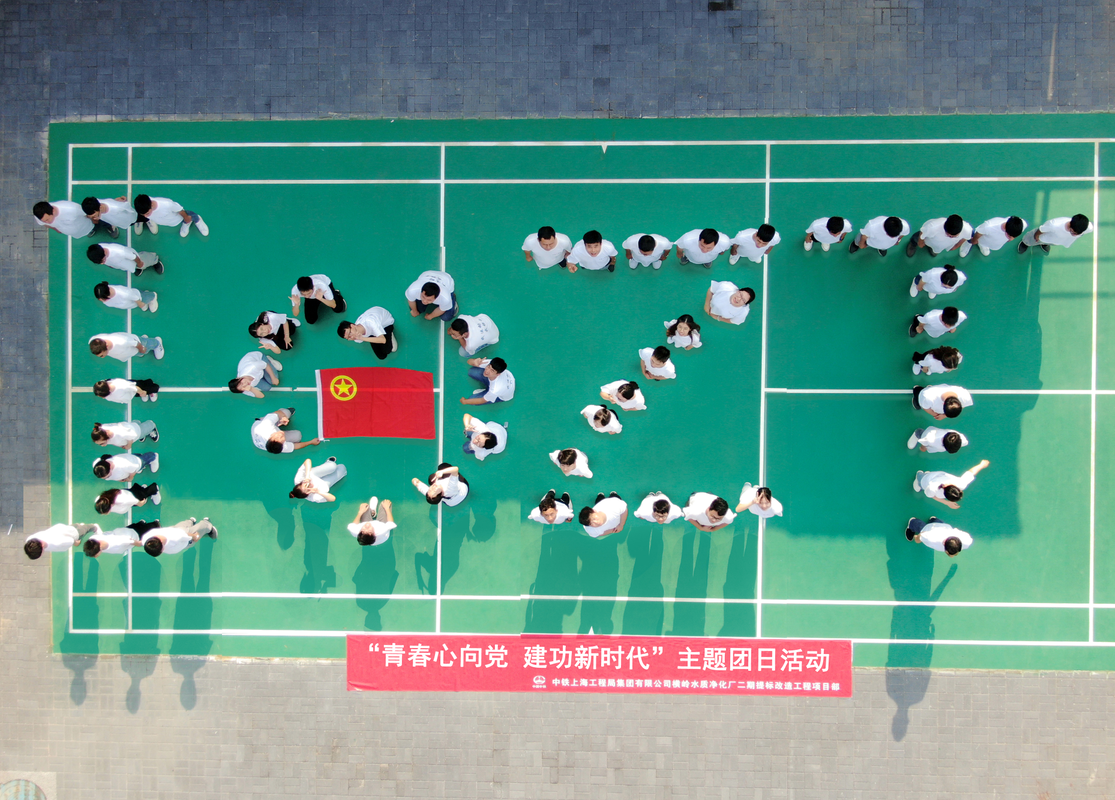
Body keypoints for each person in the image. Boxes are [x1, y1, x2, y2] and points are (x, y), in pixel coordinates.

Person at [914, 459, 990, 508]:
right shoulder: (933, 489)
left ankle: (925, 475)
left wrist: (981, 465)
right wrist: (947, 503)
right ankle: (918, 480)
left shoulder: (961, 484)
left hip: (934, 476)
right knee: (920, 477)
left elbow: (971, 472)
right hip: (924, 481)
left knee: (927, 475)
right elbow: (932, 496)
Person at [132, 194, 209, 237]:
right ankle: (187, 222)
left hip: (177, 218)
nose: (146, 216)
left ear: (151, 205)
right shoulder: (143, 205)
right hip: (169, 222)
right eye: (143, 214)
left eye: (147, 213)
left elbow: (180, 210)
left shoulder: (167, 204)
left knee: (189, 215)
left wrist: (186, 218)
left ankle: (196, 220)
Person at [250, 407, 320, 454]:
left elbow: (277, 413)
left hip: (261, 422)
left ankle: (284, 415)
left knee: (285, 412)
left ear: (271, 436)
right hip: (266, 438)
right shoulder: (281, 447)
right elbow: (295, 446)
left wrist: (283, 417)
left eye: (277, 437)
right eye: (282, 438)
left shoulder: (266, 425)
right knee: (298, 436)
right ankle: (278, 423)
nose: (281, 434)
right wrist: (311, 442)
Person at [1018, 214, 1093, 254]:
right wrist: (1036, 235)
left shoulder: (1087, 228)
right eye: (1073, 232)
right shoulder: (1054, 225)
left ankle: (1044, 244)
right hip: (1042, 237)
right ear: (1070, 224)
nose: (1075, 235)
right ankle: (1025, 243)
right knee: (1031, 239)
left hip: (1056, 241)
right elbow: (1041, 230)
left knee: (1050, 243)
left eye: (1078, 234)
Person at [142, 517, 218, 557]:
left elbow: (189, 536)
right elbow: (142, 542)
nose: (162, 551)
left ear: (161, 542)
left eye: (161, 550)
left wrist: (195, 536)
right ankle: (190, 522)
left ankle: (207, 525)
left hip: (185, 538)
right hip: (174, 529)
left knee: (196, 530)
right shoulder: (147, 537)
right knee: (182, 525)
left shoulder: (176, 537)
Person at [32, 200, 111, 238]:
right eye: (44, 221)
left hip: (88, 224)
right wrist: (55, 228)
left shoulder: (72, 209)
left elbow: (88, 213)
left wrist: (94, 220)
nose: (47, 222)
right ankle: (89, 231)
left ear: (52, 211)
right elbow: (44, 224)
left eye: (47, 220)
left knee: (102, 221)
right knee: (88, 231)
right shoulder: (40, 216)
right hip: (78, 232)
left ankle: (110, 227)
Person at [24, 523, 101, 560]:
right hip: (64, 529)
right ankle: (79, 525)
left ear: (42, 546)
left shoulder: (57, 542)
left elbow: (71, 540)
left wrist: (75, 542)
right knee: (76, 526)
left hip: (74, 533)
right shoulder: (30, 540)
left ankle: (94, 527)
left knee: (85, 529)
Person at [905, 214, 973, 257]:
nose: (950, 237)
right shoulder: (932, 227)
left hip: (939, 245)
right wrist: (920, 242)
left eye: (953, 236)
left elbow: (965, 238)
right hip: (927, 239)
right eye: (948, 234)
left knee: (936, 248)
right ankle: (913, 244)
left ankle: (933, 249)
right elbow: (922, 233)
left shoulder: (968, 230)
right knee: (916, 238)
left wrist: (956, 246)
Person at [905, 516, 972, 557]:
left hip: (943, 527)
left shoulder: (967, 541)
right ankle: (912, 522)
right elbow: (920, 536)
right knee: (920, 527)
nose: (953, 556)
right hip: (928, 529)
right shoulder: (931, 538)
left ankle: (933, 520)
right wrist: (916, 538)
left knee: (938, 523)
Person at [961, 216, 1026, 257]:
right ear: (1006, 230)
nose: (1011, 238)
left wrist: (1012, 237)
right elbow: (978, 233)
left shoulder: (1021, 225)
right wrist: (974, 240)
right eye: (1010, 236)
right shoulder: (989, 227)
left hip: (990, 242)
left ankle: (983, 245)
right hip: (981, 238)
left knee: (985, 243)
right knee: (972, 238)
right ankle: (968, 243)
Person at [86, 242, 163, 276]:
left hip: (136, 259)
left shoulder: (120, 252)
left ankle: (155, 260)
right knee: (136, 267)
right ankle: (137, 267)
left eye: (102, 261)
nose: (102, 263)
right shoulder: (99, 251)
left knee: (145, 261)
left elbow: (134, 257)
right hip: (125, 264)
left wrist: (139, 263)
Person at [82, 522, 150, 557]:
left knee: (147, 529)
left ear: (99, 548)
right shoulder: (93, 539)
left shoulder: (115, 542)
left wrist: (138, 543)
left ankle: (154, 524)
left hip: (134, 535)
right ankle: (141, 523)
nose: (95, 556)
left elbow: (128, 540)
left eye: (95, 555)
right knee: (135, 526)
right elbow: (95, 526)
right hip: (123, 531)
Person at [88, 332, 163, 361]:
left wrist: (142, 349)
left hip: (137, 344)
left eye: (102, 355)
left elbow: (136, 343)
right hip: (131, 351)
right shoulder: (94, 340)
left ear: (107, 346)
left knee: (146, 346)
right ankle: (144, 341)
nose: (102, 357)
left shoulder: (121, 341)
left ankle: (157, 343)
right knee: (138, 353)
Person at [94, 483, 161, 515]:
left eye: (106, 512)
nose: (106, 514)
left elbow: (136, 502)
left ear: (110, 505)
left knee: (142, 496)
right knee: (136, 491)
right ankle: (141, 489)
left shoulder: (124, 500)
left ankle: (154, 489)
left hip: (133, 497)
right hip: (126, 493)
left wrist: (141, 503)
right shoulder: (102, 500)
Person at [93, 452, 159, 482]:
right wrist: (120, 479)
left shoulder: (124, 464)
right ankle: (139, 456)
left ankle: (154, 457)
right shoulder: (99, 466)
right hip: (130, 461)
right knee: (137, 455)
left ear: (110, 468)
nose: (106, 478)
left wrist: (130, 478)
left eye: (107, 477)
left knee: (144, 459)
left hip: (137, 463)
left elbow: (133, 471)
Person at [93, 282, 158, 313]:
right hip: (132, 302)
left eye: (101, 298)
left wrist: (140, 304)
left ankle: (152, 297)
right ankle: (146, 295)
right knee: (142, 300)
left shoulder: (124, 293)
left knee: (145, 298)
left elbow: (135, 297)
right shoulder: (106, 292)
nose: (100, 300)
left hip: (139, 297)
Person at [91, 419, 158, 449]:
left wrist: (128, 446)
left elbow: (131, 437)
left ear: (107, 435)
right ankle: (137, 423)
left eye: (102, 443)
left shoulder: (121, 433)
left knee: (144, 430)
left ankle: (151, 426)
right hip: (129, 426)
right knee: (135, 423)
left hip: (137, 432)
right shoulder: (102, 429)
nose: (102, 445)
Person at [93, 377, 159, 404]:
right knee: (138, 392)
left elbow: (135, 388)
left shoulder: (122, 386)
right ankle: (145, 392)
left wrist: (142, 392)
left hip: (134, 388)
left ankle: (152, 389)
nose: (102, 397)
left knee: (145, 386)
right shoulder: (103, 384)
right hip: (130, 393)